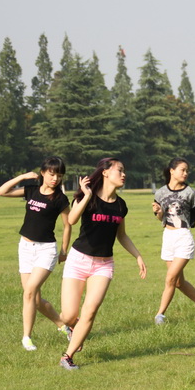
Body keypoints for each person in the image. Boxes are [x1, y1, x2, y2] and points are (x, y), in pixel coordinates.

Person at [59, 158, 147, 370]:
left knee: (90, 312)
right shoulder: (87, 197)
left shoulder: (121, 205)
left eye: (124, 171)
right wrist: (87, 195)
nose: (124, 174)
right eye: (120, 170)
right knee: (68, 316)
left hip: (103, 265)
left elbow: (122, 235)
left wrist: (138, 256)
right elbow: (71, 220)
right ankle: (74, 327)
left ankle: (67, 357)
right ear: (105, 173)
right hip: (78, 260)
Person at [0, 156, 72, 352]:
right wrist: (22, 177)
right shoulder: (31, 190)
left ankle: (26, 338)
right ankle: (63, 325)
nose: (55, 179)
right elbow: (1, 192)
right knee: (35, 299)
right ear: (43, 173)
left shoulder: (60, 199)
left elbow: (68, 225)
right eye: (52, 174)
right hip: (25, 248)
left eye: (59, 175)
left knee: (29, 292)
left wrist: (64, 251)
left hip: (46, 250)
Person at [152, 157, 195, 325]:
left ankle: (160, 315)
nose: (186, 173)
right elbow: (160, 218)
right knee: (178, 282)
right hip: (167, 237)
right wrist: (159, 212)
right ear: (172, 171)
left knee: (170, 279)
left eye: (187, 170)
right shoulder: (160, 192)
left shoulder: (190, 192)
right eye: (182, 170)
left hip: (183, 237)